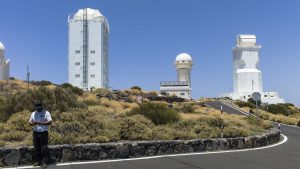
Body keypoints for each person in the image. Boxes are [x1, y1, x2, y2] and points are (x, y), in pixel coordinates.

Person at [29, 101, 52, 167]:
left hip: (44, 133)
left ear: (42, 106)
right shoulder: (33, 113)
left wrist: (40, 123)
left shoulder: (46, 113)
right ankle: (37, 161)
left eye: (39, 106)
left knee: (44, 148)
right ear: (35, 106)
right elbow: (30, 123)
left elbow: (50, 122)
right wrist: (33, 123)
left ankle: (44, 162)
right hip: (35, 133)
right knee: (36, 148)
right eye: (37, 106)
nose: (38, 107)